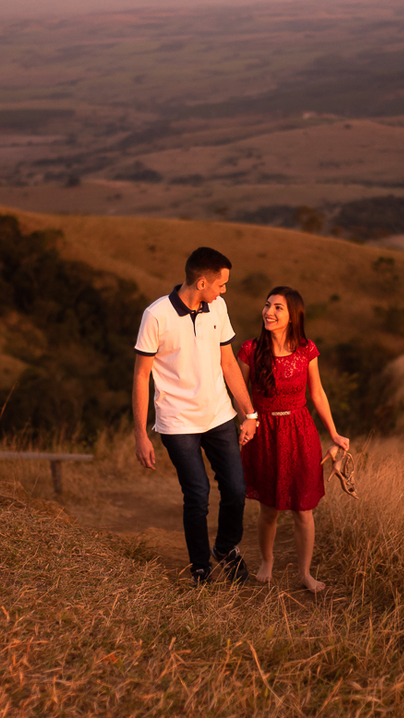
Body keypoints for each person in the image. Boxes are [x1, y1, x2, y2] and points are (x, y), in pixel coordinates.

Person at [132, 247, 259, 586]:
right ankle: (200, 567)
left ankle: (226, 548)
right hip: (177, 424)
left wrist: (249, 413)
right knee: (197, 495)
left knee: (236, 489)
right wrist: (141, 434)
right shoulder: (156, 315)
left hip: (219, 416)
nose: (224, 290)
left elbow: (228, 363)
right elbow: (141, 376)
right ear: (202, 282)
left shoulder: (218, 307)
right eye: (221, 284)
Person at [237, 286, 349, 593]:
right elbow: (238, 392)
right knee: (269, 509)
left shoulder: (306, 349)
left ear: (293, 316)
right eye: (267, 305)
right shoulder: (250, 349)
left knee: (303, 510)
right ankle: (267, 561)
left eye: (278, 308)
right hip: (264, 433)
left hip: (300, 432)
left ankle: (305, 574)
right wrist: (247, 419)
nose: (269, 312)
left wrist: (334, 432)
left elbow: (318, 393)